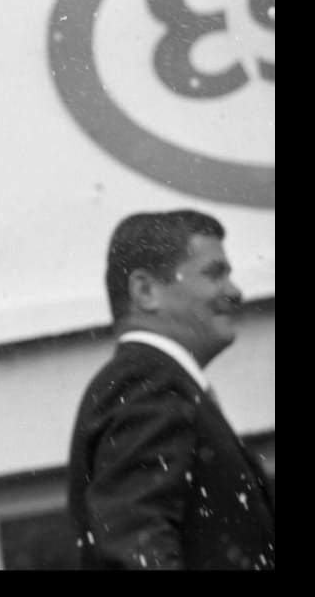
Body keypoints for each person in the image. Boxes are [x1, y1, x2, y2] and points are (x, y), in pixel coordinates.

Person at [67, 209, 275, 569]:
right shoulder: (148, 383)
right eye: (214, 273)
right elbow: (135, 545)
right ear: (145, 291)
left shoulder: (156, 382)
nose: (235, 291)